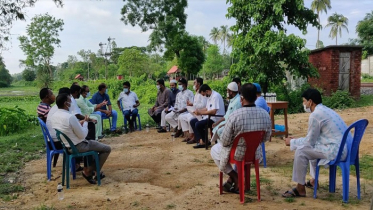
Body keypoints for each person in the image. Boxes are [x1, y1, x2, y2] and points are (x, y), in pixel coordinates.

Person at [282, 88, 349, 198]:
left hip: (335, 151)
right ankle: (313, 180)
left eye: (304, 101)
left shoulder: (315, 115)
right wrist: (298, 140)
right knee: (311, 148)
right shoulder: (326, 110)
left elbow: (309, 142)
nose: (303, 104)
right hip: (342, 149)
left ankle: (300, 189)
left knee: (301, 151)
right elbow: (313, 139)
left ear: (310, 102)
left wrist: (292, 142)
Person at [211, 83, 272, 193]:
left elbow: (225, 141)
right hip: (255, 153)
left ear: (241, 98)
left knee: (215, 150)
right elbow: (266, 138)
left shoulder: (235, 116)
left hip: (237, 154)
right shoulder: (265, 114)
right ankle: (235, 178)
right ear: (256, 97)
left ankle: (235, 177)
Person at [52, 93, 111, 185]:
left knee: (93, 145)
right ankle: (89, 171)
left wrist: (79, 122)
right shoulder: (70, 117)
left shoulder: (55, 116)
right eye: (70, 101)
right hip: (79, 146)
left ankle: (91, 170)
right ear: (65, 104)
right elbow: (83, 135)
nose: (71, 103)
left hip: (67, 146)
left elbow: (67, 128)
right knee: (107, 149)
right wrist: (86, 122)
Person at [190, 84, 225, 149]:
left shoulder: (215, 96)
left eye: (203, 94)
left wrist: (200, 112)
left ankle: (205, 141)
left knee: (198, 124)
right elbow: (207, 108)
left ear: (207, 91)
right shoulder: (209, 97)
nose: (204, 96)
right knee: (192, 121)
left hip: (216, 118)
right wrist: (197, 111)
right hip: (209, 117)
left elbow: (213, 111)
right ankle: (202, 141)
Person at [179, 78, 207, 143]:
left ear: (198, 84)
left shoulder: (202, 93)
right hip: (195, 111)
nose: (193, 84)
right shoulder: (197, 92)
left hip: (201, 112)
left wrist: (194, 105)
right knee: (182, 117)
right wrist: (191, 105)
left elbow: (204, 105)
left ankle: (193, 136)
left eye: (194, 83)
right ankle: (187, 135)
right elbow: (196, 103)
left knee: (190, 119)